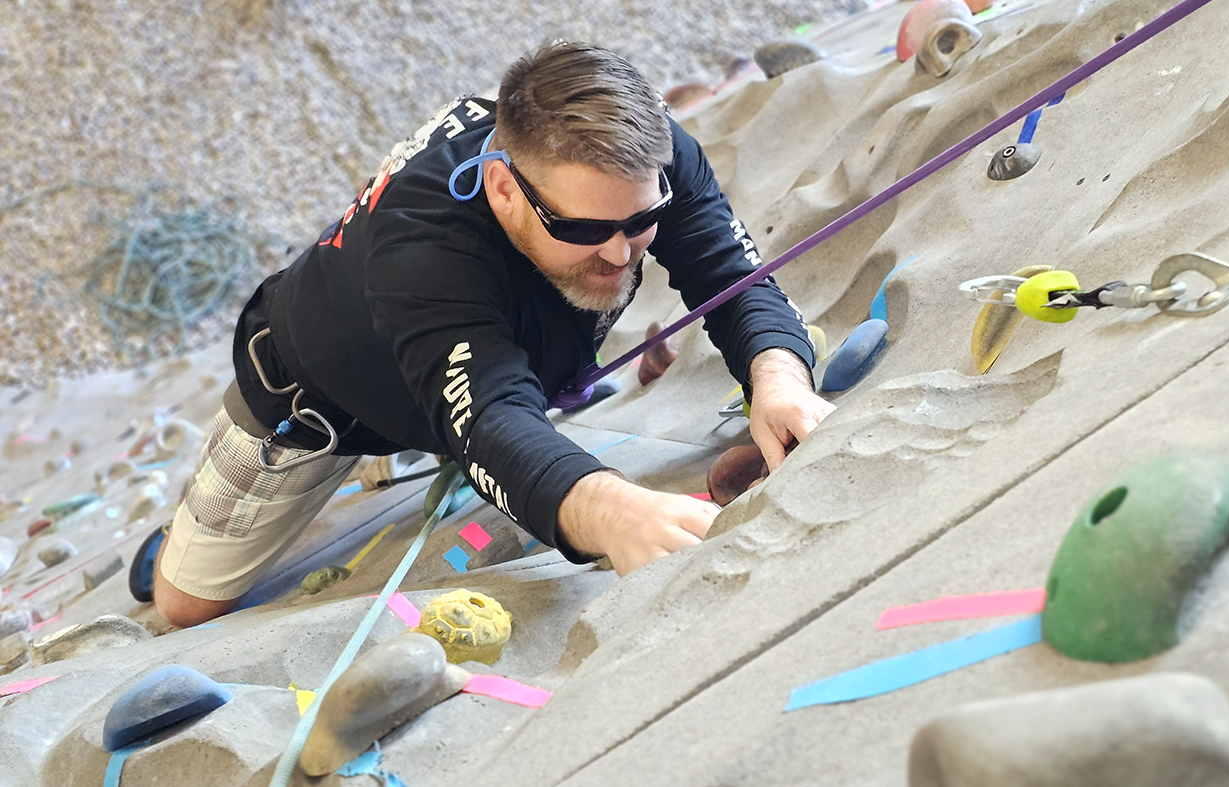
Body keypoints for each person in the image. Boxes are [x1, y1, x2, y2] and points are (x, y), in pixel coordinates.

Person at [136, 41, 835, 627]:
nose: (622, 255)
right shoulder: (422, 248)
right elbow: (492, 425)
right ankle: (177, 535)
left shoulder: (642, 161)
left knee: (486, 382)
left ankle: (424, 431)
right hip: (315, 398)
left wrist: (779, 377)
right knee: (185, 604)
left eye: (639, 223)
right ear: (504, 189)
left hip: (479, 358)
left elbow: (730, 271)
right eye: (584, 230)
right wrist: (614, 510)